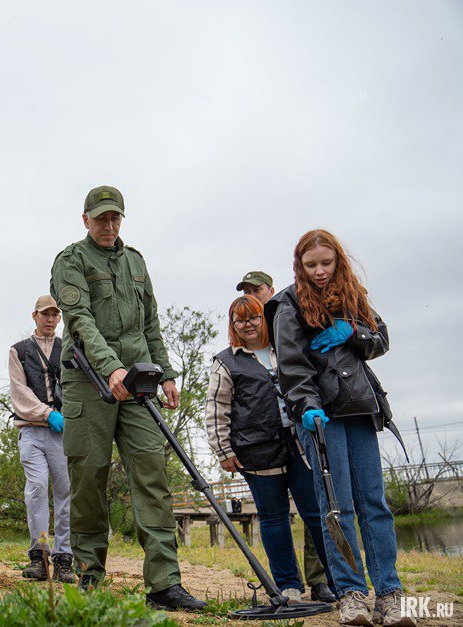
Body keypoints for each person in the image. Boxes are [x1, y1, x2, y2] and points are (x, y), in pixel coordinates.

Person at [49, 185, 205, 611]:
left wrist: (166, 373)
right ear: (85, 220)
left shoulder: (136, 261)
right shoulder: (70, 261)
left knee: (152, 474)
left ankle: (164, 583)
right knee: (89, 477)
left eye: (115, 217)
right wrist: (110, 367)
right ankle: (88, 576)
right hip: (89, 381)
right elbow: (79, 321)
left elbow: (150, 322)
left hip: (138, 382)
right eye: (101, 218)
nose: (108, 225)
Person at [266, 229, 414, 627]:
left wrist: (354, 332)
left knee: (374, 504)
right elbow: (291, 364)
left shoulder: (354, 296)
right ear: (299, 265)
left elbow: (380, 339)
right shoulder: (287, 304)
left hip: (361, 408)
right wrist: (306, 405)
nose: (319, 271)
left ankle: (389, 593)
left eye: (326, 263)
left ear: (338, 261)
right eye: (311, 265)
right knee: (338, 507)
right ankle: (351, 594)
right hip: (321, 415)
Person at [205, 295, 333, 604]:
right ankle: (288, 585)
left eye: (253, 317)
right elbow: (216, 409)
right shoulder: (226, 361)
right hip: (257, 450)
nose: (247, 324)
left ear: (264, 318)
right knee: (273, 517)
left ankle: (335, 581)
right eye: (239, 320)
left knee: (316, 513)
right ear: (232, 325)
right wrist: (224, 451)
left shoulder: (285, 347)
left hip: (301, 444)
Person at [7, 295, 75, 584]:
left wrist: (69, 416)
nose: (50, 319)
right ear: (34, 315)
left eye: (54, 315)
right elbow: (19, 392)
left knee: (65, 492)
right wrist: (47, 413)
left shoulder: (68, 349)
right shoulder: (19, 351)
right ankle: (39, 557)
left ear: (59, 318)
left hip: (63, 432)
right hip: (32, 430)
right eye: (45, 314)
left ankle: (64, 559)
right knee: (36, 488)